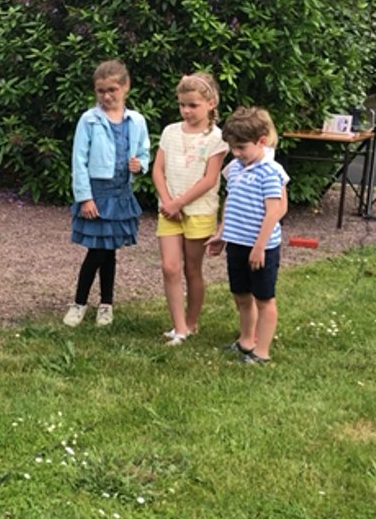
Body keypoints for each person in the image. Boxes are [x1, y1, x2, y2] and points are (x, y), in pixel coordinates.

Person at [63, 59, 151, 328]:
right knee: (97, 251)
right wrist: (85, 197)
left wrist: (141, 165)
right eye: (101, 91)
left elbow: (144, 152)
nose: (106, 96)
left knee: (109, 251)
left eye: (112, 89)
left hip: (121, 194)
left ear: (125, 87)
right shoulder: (89, 120)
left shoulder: (136, 121)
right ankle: (79, 303)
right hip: (97, 195)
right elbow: (79, 161)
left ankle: (106, 304)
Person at [206, 107, 287, 364]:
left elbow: (274, 211)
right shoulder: (237, 168)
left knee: (264, 298)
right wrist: (222, 234)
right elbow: (230, 202)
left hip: (261, 247)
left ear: (261, 140)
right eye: (233, 148)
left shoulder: (269, 171)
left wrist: (260, 247)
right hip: (238, 245)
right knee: (241, 295)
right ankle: (246, 340)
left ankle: (261, 352)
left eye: (242, 147)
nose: (237, 153)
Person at [151, 73, 227, 345]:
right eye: (182, 105)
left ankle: (192, 322)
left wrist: (180, 202)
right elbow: (158, 170)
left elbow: (209, 178)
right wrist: (168, 201)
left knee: (192, 270)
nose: (186, 111)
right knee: (170, 267)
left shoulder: (217, 137)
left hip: (199, 211)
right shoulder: (170, 131)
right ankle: (179, 327)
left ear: (210, 103)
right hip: (168, 211)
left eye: (193, 105)